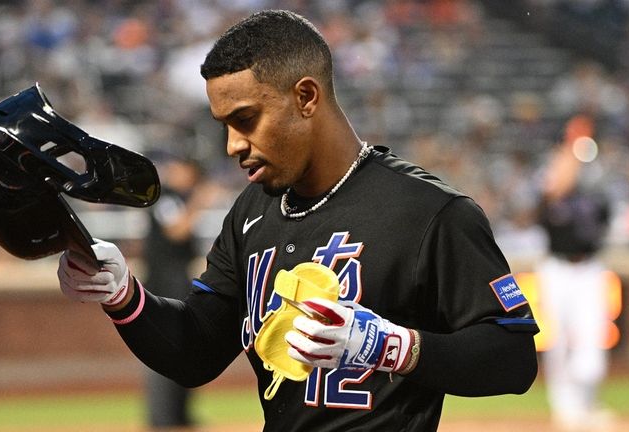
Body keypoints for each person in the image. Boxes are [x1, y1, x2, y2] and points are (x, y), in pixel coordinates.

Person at [57, 10, 539, 431]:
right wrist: (124, 295)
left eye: (245, 119)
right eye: (224, 125)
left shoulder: (429, 211)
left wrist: (394, 347)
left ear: (306, 97)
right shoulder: (251, 210)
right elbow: (196, 350)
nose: (233, 146)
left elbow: (513, 359)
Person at [537, 114, 613, 431]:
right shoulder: (550, 172)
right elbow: (548, 198)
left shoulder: (598, 178)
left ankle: (587, 404)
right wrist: (566, 162)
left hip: (590, 268)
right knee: (558, 341)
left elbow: (605, 219)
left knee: (593, 339)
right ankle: (565, 410)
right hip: (557, 268)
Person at [141, 154, 218, 430]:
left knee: (185, 346)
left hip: (177, 282)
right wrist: (200, 201)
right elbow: (177, 231)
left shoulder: (179, 199)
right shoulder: (165, 197)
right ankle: (162, 417)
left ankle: (178, 414)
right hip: (164, 283)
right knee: (163, 347)